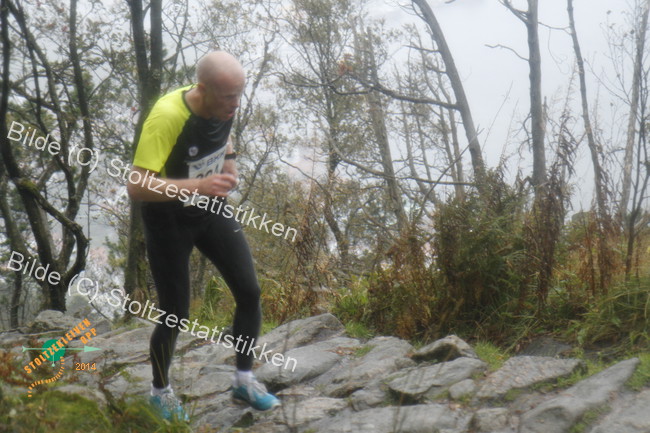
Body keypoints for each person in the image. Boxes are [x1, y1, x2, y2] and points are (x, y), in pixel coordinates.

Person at [126, 50, 280, 422]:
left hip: (210, 209)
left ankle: (243, 380)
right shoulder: (167, 117)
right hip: (168, 221)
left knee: (249, 292)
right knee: (175, 313)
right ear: (203, 89)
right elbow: (136, 185)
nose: (235, 104)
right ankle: (159, 392)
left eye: (239, 95)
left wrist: (230, 164)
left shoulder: (224, 105)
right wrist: (199, 185)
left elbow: (223, 135)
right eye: (228, 97)